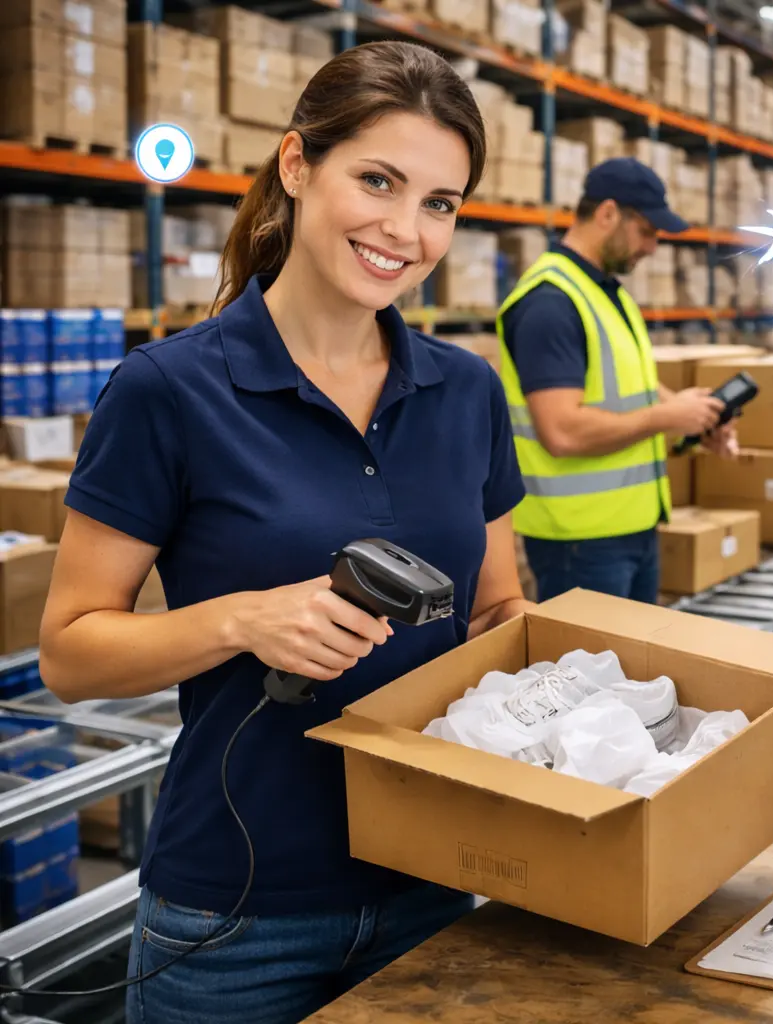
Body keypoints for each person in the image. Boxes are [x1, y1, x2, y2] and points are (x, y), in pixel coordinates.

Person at [38, 43, 531, 1024]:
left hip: (435, 884)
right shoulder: (170, 392)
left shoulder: (467, 390)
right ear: (298, 166)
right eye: (378, 181)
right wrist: (243, 621)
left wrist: (641, 723)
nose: (406, 230)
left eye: (440, 202)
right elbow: (69, 651)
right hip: (234, 911)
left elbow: (498, 610)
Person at [497, 158, 737, 606]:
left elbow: (635, 388)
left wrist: (693, 414)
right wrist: (667, 415)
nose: (652, 248)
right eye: (646, 231)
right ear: (607, 213)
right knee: (589, 674)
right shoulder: (549, 303)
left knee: (627, 676)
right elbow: (562, 431)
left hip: (631, 529)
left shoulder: (607, 291)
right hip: (580, 541)